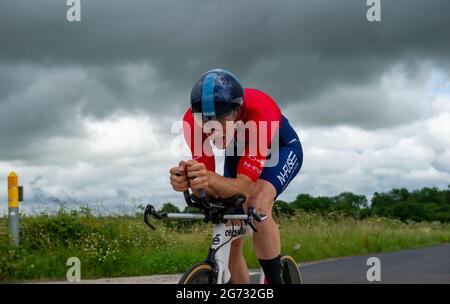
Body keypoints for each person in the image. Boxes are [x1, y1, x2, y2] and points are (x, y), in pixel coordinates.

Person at [170, 69, 303, 284]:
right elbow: (207, 183)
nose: (212, 132)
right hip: (239, 152)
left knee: (256, 202)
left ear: (237, 111)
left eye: (220, 122)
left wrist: (210, 179)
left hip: (280, 151)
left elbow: (244, 187)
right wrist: (190, 181)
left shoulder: (261, 111)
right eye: (206, 124)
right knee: (229, 219)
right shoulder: (191, 121)